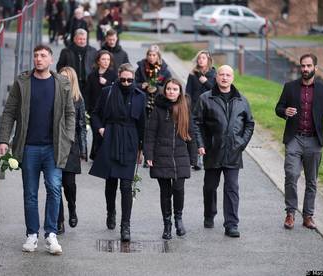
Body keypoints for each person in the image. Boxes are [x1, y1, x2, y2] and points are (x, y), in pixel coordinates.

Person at [0, 45, 75, 254]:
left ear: (51, 60)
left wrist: (67, 139)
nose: (38, 59)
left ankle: (51, 234)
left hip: (53, 147)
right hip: (29, 147)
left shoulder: (61, 83)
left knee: (54, 189)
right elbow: (9, 112)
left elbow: (70, 113)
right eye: (36, 56)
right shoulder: (22, 82)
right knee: (30, 193)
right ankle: (32, 235)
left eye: (43, 56)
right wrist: (4, 139)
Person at [275, 53, 323, 230]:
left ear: (315, 68)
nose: (305, 69)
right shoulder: (290, 87)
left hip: (314, 141)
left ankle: (308, 215)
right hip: (294, 138)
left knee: (311, 181)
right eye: (303, 66)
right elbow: (278, 108)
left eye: (309, 66)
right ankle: (290, 213)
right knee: (292, 175)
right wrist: (284, 111)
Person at [193, 65, 254, 238]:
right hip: (212, 150)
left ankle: (231, 224)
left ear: (232, 78)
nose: (224, 78)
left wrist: (241, 143)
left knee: (232, 188)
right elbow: (196, 122)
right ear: (216, 77)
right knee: (210, 187)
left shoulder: (242, 100)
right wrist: (201, 144)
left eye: (228, 75)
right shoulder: (206, 98)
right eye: (221, 75)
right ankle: (209, 214)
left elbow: (250, 123)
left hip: (234, 151)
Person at [89, 63, 145, 242]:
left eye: (130, 79)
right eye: (123, 79)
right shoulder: (107, 92)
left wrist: (141, 149)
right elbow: (95, 114)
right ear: (118, 77)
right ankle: (110, 211)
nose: (127, 83)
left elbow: (143, 123)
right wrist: (100, 129)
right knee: (111, 181)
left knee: (127, 186)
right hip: (111, 137)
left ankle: (125, 226)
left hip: (130, 140)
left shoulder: (140, 96)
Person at [144, 79, 197, 240]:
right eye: (169, 89)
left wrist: (193, 157)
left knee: (179, 189)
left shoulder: (184, 108)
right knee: (165, 192)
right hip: (161, 156)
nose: (171, 92)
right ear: (164, 90)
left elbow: (191, 134)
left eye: (175, 89)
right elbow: (150, 134)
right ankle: (167, 224)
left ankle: (178, 219)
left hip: (181, 156)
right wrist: (149, 155)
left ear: (180, 92)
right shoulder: (158, 110)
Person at [57, 66, 87, 235]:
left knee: (69, 184)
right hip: (54, 145)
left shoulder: (78, 100)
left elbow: (81, 125)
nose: (64, 81)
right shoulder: (53, 96)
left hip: (71, 146)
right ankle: (59, 220)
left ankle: (72, 207)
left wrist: (83, 149)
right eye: (62, 77)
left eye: (67, 78)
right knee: (54, 186)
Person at [186, 49, 216, 170]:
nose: (200, 60)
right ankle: (196, 159)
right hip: (194, 108)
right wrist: (187, 106)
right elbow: (188, 92)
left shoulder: (214, 75)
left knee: (206, 133)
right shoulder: (193, 74)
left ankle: (206, 158)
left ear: (208, 60)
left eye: (203, 58)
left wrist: (206, 82)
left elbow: (216, 92)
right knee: (194, 132)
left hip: (209, 108)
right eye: (199, 58)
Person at [84, 50, 117, 160]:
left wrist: (107, 83)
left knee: (105, 133)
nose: (106, 61)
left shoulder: (113, 75)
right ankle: (95, 154)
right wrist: (87, 109)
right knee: (96, 132)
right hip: (94, 110)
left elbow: (116, 91)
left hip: (108, 109)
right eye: (103, 59)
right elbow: (87, 93)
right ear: (98, 61)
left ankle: (100, 155)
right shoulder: (92, 75)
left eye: (108, 59)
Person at [135, 44, 172, 118]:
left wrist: (157, 88)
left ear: (158, 56)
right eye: (149, 55)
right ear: (147, 55)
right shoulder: (141, 68)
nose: (151, 57)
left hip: (158, 101)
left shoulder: (164, 71)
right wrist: (141, 85)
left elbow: (169, 87)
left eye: (154, 55)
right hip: (143, 101)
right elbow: (134, 83)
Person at [57, 28, 97, 95]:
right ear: (75, 39)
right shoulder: (66, 51)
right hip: (71, 83)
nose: (82, 41)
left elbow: (95, 66)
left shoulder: (93, 51)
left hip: (88, 83)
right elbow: (60, 66)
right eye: (80, 39)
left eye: (84, 39)